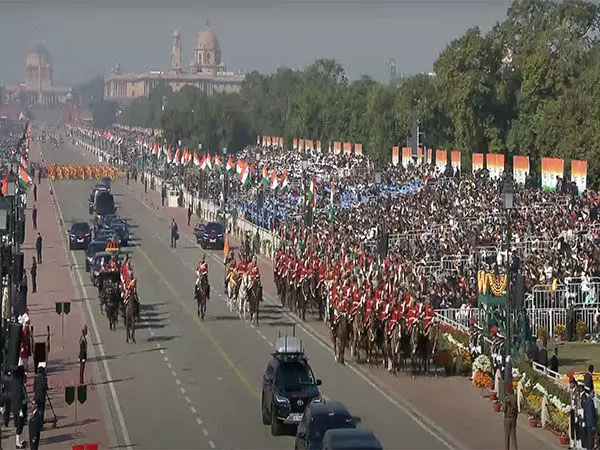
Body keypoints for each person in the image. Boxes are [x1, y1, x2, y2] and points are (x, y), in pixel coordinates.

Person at [10, 366, 27, 448]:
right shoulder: (19, 385)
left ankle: (20, 439)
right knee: (20, 423)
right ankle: (17, 442)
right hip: (19, 407)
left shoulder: (14, 381)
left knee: (19, 423)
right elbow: (21, 396)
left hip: (15, 406)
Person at [503, 380, 518, 450]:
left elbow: (503, 409)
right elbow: (517, 408)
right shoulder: (514, 397)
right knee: (513, 436)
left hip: (507, 418)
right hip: (513, 418)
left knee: (507, 437)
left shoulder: (506, 397)